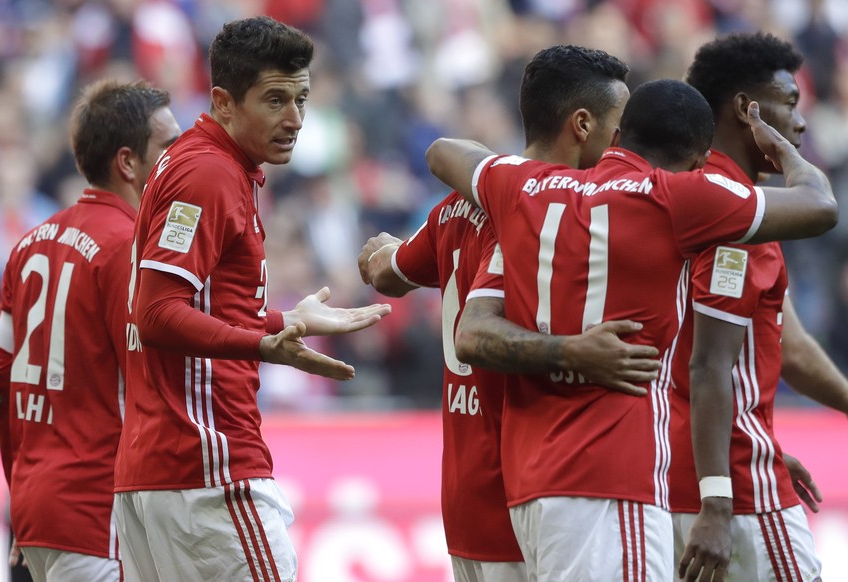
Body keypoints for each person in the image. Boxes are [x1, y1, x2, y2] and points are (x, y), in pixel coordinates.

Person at [427, 79, 837, 581]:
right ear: (698, 159)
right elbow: (820, 206)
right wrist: (780, 150)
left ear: (618, 135)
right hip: (613, 477)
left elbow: (443, 152)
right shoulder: (678, 197)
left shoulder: (523, 184)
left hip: (530, 490)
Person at [359, 45, 663, 582]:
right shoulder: (540, 219)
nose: (623, 144)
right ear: (582, 124)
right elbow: (474, 331)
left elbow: (388, 274)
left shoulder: (461, 203)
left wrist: (381, 252)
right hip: (530, 495)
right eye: (618, 127)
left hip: (466, 497)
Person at [113, 16, 391, 582]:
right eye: (274, 100)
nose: (295, 120)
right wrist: (265, 343)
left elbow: (195, 306)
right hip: (208, 466)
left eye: (302, 98)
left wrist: (285, 318)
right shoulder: (209, 175)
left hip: (160, 471)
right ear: (223, 101)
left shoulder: (201, 162)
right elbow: (158, 312)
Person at [0, 79, 182, 582]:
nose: (180, 161)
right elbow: (151, 394)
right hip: (100, 519)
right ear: (128, 163)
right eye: (169, 147)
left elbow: (0, 379)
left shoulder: (29, 243)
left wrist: (21, 495)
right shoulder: (128, 249)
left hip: (35, 514)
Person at [671, 32, 848, 582]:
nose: (801, 123)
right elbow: (708, 364)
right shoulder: (740, 215)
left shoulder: (685, 192)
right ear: (749, 110)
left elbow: (789, 347)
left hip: (680, 471)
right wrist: (722, 492)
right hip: (736, 487)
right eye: (790, 105)